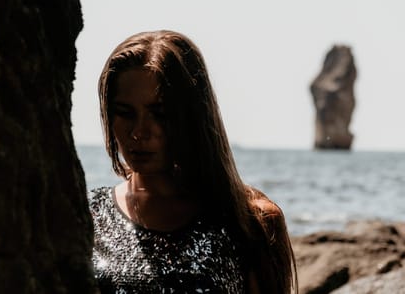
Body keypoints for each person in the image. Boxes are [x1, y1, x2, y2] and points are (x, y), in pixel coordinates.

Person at [89, 30, 298, 293]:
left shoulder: (250, 223)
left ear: (193, 116)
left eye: (160, 114)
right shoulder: (88, 217)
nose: (139, 132)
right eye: (124, 113)